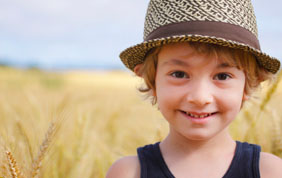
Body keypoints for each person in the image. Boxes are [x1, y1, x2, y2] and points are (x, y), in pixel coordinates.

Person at [106, 0, 282, 177]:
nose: (200, 97)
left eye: (222, 76)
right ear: (151, 80)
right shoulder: (129, 173)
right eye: (179, 74)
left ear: (250, 83)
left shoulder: (270, 172)